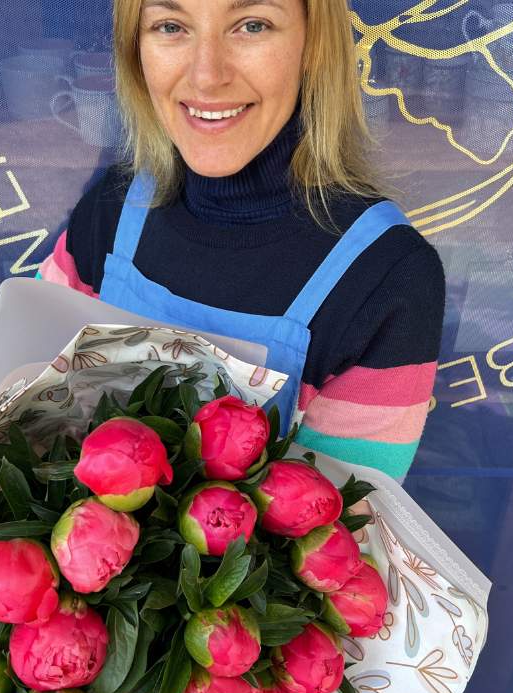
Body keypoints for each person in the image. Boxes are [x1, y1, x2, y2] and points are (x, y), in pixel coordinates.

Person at [37, 0, 445, 485]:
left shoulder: (388, 278)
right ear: (135, 49)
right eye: (171, 26)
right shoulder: (109, 209)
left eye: (252, 25)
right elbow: (34, 410)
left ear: (313, 45)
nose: (207, 75)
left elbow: (340, 535)